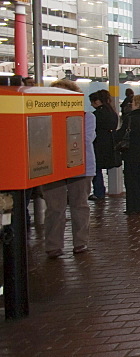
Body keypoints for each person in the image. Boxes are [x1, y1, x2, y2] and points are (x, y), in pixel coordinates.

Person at [41, 79, 94, 257]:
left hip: (80, 167)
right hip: (52, 168)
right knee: (54, 207)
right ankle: (53, 245)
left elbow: (85, 140)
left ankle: (81, 242)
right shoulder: (42, 116)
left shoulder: (87, 116)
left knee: (80, 205)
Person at [89, 89, 119, 201]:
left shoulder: (96, 115)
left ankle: (99, 191)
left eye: (92, 102)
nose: (91, 105)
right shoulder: (112, 112)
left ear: (97, 101)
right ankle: (100, 191)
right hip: (110, 142)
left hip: (98, 143)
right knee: (102, 167)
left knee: (96, 168)